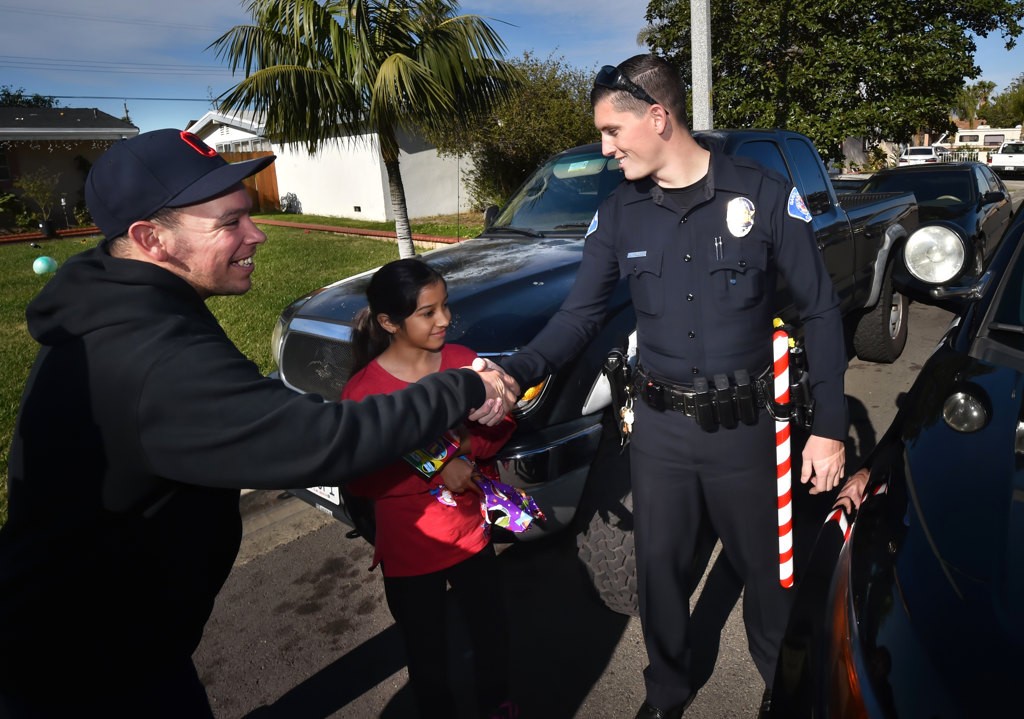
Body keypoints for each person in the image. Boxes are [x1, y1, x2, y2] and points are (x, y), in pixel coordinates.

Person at [0, 129, 517, 718]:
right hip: (88, 672)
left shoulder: (130, 301)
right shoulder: (146, 353)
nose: (257, 234)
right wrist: (464, 384)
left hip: (126, 642)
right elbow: (325, 442)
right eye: (229, 224)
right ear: (151, 239)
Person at [495, 55, 847, 719]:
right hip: (660, 433)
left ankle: (785, 686)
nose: (605, 147)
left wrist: (828, 426)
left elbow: (821, 310)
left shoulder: (763, 194)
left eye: (611, 131)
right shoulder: (618, 214)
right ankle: (666, 691)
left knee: (771, 576)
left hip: (748, 429)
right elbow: (578, 316)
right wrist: (516, 371)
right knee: (658, 575)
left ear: (658, 117)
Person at [341, 258, 518, 719]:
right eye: (427, 312)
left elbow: (501, 429)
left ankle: (497, 701)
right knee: (427, 654)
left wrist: (467, 443)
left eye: (445, 306)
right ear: (388, 322)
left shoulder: (464, 363)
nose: (444, 320)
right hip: (411, 548)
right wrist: (437, 470)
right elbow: (361, 477)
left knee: (491, 633)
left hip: (471, 534)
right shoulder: (365, 392)